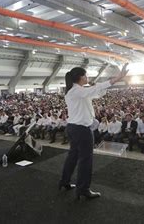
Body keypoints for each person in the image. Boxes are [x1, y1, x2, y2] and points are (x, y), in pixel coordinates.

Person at [59, 64, 128, 200]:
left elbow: (99, 93)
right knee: (86, 159)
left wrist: (96, 85)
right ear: (79, 77)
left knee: (73, 156)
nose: (87, 77)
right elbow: (96, 89)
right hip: (81, 129)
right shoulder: (77, 91)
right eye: (85, 75)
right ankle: (83, 189)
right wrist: (117, 78)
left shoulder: (77, 91)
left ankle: (65, 182)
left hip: (74, 128)